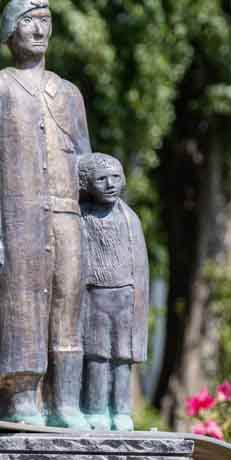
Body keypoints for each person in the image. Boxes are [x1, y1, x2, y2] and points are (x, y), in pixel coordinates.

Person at [0, 0, 91, 426]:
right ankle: (22, 399)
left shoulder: (70, 92)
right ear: (10, 30)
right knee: (19, 304)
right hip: (19, 218)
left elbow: (85, 157)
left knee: (68, 304)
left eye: (45, 21)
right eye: (29, 21)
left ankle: (66, 401)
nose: (39, 30)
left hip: (66, 214)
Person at [75, 153, 151, 430]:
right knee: (96, 355)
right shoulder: (82, 218)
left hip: (126, 298)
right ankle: (96, 410)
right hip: (94, 297)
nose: (110, 184)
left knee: (122, 357)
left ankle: (121, 411)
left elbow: (140, 267)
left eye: (115, 177)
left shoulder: (130, 219)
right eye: (101, 179)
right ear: (87, 183)